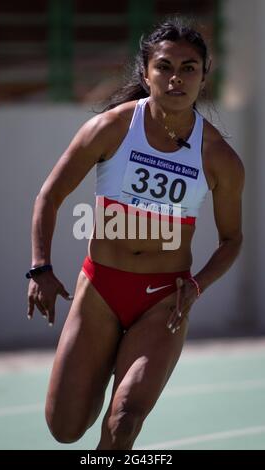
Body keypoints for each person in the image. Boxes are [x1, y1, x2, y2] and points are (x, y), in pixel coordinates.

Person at [26, 17, 245, 450]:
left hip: (164, 298)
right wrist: (41, 267)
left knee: (124, 419)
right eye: (165, 66)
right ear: (146, 73)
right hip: (102, 289)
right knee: (65, 427)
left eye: (189, 68)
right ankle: (102, 360)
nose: (176, 77)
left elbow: (232, 239)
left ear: (204, 78)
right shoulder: (111, 127)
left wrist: (197, 285)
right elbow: (50, 195)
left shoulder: (219, 157)